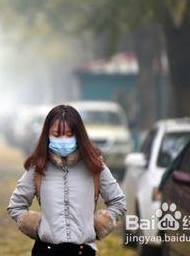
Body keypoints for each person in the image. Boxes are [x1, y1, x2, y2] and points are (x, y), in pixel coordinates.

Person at [7, 104, 126, 256]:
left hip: (83, 251)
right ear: (47, 135)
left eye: (69, 135)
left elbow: (118, 202)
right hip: (46, 250)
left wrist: (99, 225)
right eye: (57, 134)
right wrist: (36, 227)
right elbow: (15, 206)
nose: (63, 140)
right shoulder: (38, 167)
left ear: (78, 135)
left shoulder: (95, 166)